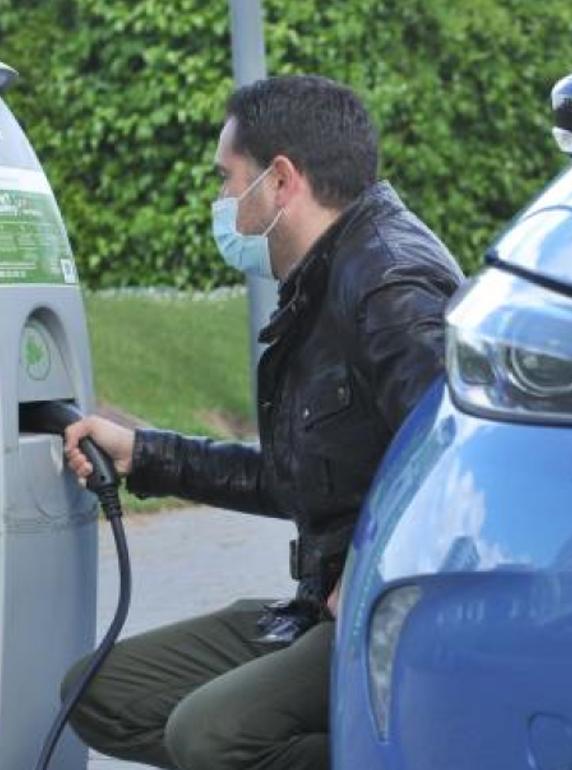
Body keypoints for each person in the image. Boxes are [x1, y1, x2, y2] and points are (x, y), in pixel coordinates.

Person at [58, 74, 463, 770]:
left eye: (228, 179)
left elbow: (463, 459)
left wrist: (373, 563)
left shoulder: (389, 285)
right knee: (100, 693)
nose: (222, 203)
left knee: (210, 735)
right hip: (319, 607)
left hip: (389, 620)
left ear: (280, 181)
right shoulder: (322, 282)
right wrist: (143, 454)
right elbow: (291, 478)